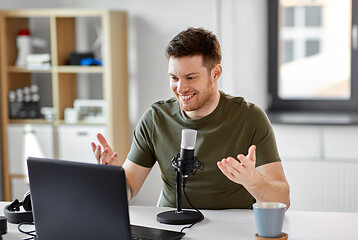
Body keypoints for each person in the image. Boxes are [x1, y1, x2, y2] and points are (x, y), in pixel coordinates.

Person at [91, 27, 290, 210]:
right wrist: (112, 180)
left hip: (232, 228)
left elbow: (283, 201)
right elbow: (129, 190)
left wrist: (252, 180)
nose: (181, 88)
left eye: (191, 77)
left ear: (215, 73)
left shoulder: (249, 118)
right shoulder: (155, 118)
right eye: (174, 78)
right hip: (171, 226)